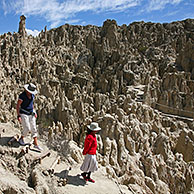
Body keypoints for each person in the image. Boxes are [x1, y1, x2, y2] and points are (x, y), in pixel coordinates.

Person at [16, 83, 42, 151]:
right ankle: (21, 138)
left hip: (31, 113)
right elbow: (18, 105)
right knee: (27, 128)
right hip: (24, 113)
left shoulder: (32, 95)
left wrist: (34, 111)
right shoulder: (22, 96)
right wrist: (18, 115)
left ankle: (36, 144)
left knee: (33, 128)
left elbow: (31, 104)